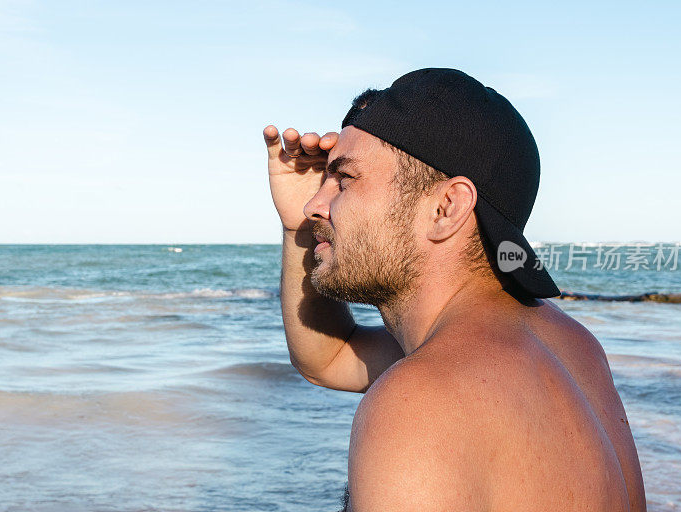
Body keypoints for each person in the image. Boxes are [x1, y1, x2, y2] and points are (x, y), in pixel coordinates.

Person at [263, 68, 645, 512]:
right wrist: (299, 231)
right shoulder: (573, 347)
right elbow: (326, 359)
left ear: (446, 207)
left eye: (345, 179)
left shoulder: (422, 403)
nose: (314, 204)